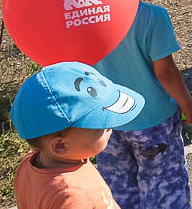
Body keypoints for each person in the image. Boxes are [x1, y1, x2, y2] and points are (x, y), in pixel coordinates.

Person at [93, 0, 192, 209]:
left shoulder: (87, 22)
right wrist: (187, 103)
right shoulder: (153, 17)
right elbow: (165, 72)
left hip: (106, 124)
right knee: (164, 191)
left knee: (119, 193)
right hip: (153, 123)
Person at [11, 62, 145, 209]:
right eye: (99, 125)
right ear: (60, 146)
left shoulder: (32, 163)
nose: (110, 127)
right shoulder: (73, 197)